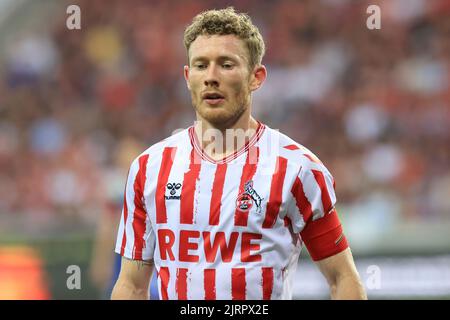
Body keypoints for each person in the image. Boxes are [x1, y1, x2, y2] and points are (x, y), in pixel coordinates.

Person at [111, 7, 367, 300]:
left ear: (256, 77)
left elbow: (343, 278)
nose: (211, 77)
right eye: (200, 65)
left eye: (226, 64)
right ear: (187, 76)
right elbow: (131, 285)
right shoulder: (149, 168)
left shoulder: (297, 169)